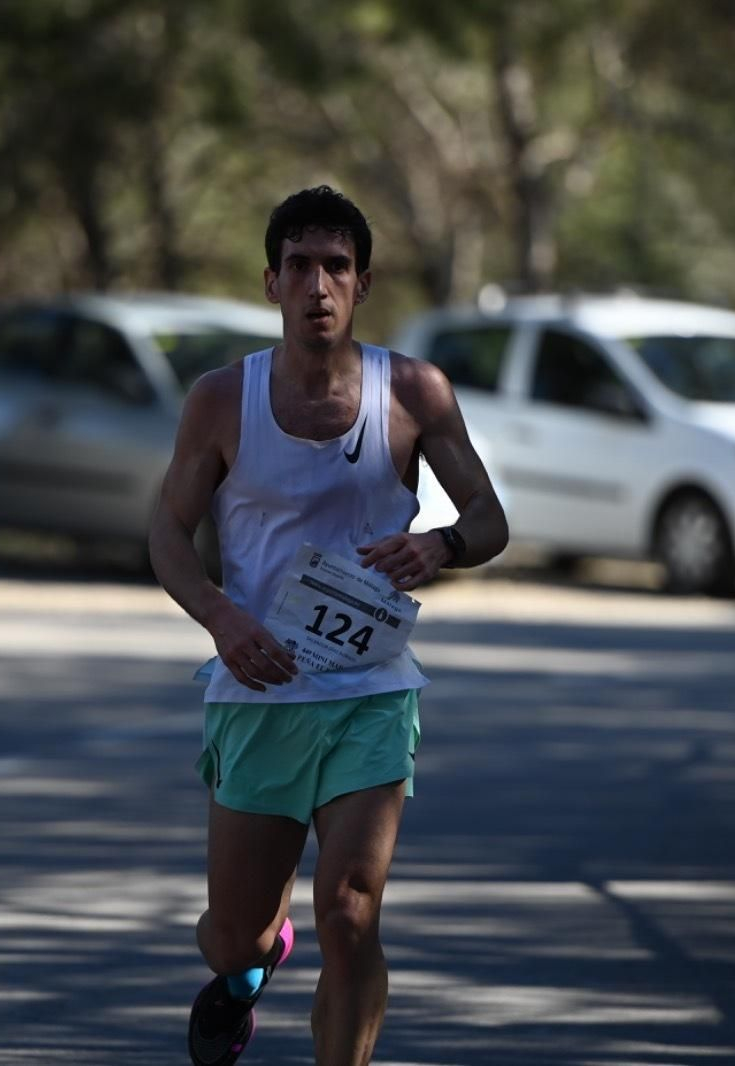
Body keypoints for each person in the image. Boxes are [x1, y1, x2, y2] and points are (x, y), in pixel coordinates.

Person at [148, 186, 508, 1065]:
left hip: (371, 692)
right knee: (232, 935)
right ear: (270, 283)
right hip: (261, 690)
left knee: (350, 912)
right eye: (300, 266)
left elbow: (490, 519)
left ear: (364, 283)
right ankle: (251, 970)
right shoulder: (222, 399)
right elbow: (167, 531)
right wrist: (222, 616)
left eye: (336, 267)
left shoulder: (414, 392)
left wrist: (441, 545)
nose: (318, 284)